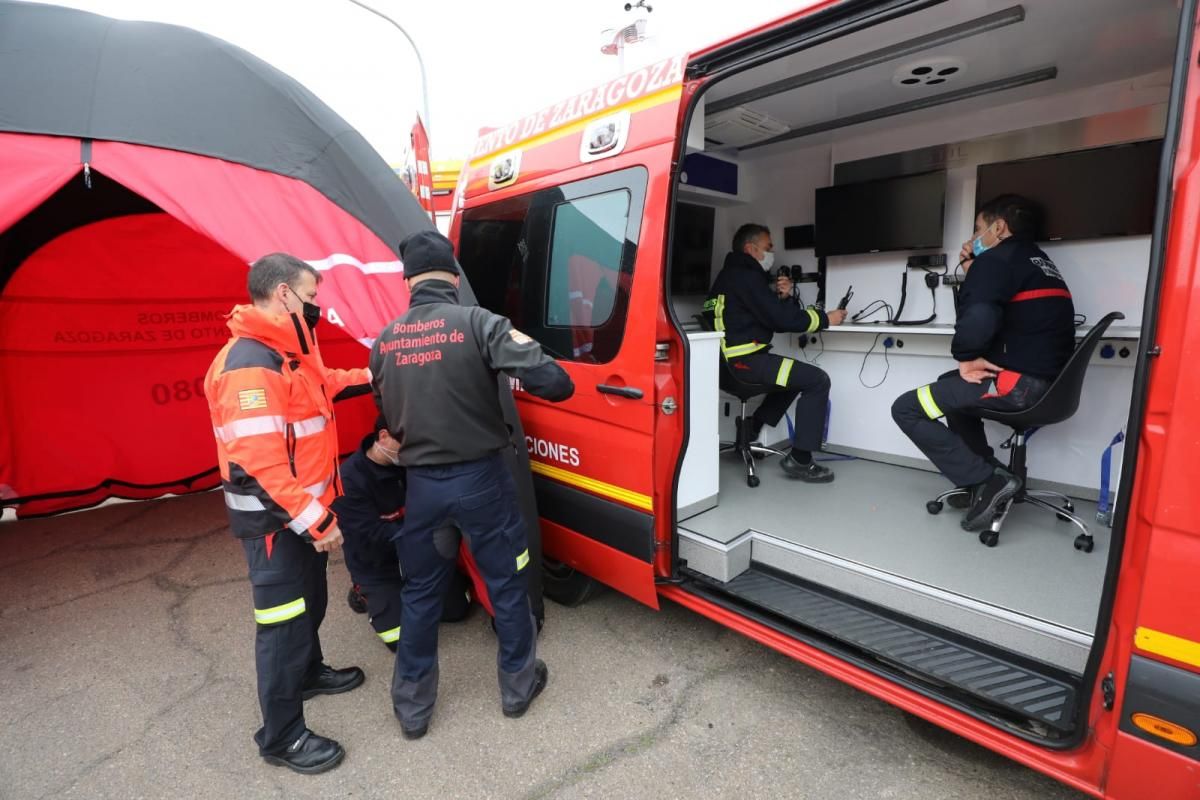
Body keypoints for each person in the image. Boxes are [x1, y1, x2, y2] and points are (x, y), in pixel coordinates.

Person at [370, 230, 574, 740]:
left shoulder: (385, 340)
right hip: (481, 480)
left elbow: (387, 413)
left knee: (420, 592)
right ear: (454, 276)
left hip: (421, 488)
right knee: (506, 582)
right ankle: (517, 688)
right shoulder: (477, 322)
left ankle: (412, 711)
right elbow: (555, 382)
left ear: (408, 281)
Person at [203, 253, 369, 774]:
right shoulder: (250, 363)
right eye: (312, 296)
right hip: (278, 523)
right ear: (283, 295)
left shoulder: (289, 352)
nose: (317, 306)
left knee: (310, 604)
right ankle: (282, 736)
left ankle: (309, 672)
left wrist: (378, 373)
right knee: (281, 627)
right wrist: (315, 522)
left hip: (301, 514)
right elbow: (261, 463)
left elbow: (326, 386)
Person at [891, 194, 1076, 531]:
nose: (975, 236)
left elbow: (977, 318)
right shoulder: (1038, 261)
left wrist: (965, 357)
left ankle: (989, 480)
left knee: (905, 408)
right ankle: (983, 476)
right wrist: (972, 274)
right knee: (950, 384)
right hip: (1049, 386)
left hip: (1019, 386)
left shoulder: (997, 260)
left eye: (978, 229)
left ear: (999, 227)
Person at [704, 223, 848, 482]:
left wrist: (784, 298)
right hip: (745, 364)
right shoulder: (747, 276)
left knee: (793, 381)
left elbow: (768, 316)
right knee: (817, 380)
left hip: (726, 367)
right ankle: (801, 460)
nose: (772, 253)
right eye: (768, 247)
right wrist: (826, 319)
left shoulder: (729, 275)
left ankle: (750, 431)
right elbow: (781, 321)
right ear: (751, 248)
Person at [333, 418, 473, 651]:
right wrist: (424, 534)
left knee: (458, 610)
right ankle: (363, 593)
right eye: (405, 444)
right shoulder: (349, 479)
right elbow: (372, 533)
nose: (410, 451)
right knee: (400, 640)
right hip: (378, 565)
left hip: (419, 555)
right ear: (384, 436)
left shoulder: (410, 464)